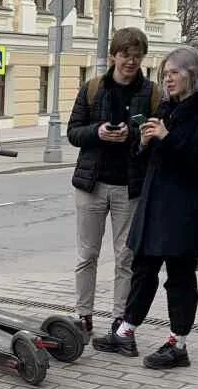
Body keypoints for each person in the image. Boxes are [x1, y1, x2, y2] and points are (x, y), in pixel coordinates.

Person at [93, 45, 198, 369]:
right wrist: (143, 143)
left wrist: (166, 138)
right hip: (156, 205)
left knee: (180, 277)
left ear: (192, 75)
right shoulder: (169, 108)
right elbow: (153, 159)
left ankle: (178, 344)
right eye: (165, 74)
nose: (167, 80)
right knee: (142, 269)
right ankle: (125, 331)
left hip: (185, 211)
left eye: (174, 73)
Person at [66, 27, 161, 337]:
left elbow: (158, 134)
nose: (130, 62)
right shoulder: (93, 88)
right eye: (125, 55)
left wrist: (132, 135)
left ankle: (120, 318)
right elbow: (73, 133)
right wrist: (98, 132)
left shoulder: (153, 94)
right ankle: (83, 316)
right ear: (113, 56)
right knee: (87, 255)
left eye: (137, 56)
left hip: (129, 187)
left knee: (125, 257)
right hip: (91, 185)